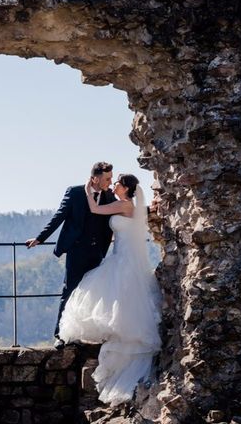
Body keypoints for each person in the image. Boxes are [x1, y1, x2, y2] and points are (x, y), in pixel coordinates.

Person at [58, 174, 162, 406]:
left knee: (111, 296)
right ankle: (122, 337)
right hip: (124, 258)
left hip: (122, 260)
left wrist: (87, 188)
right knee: (123, 300)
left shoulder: (122, 204)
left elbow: (94, 209)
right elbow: (138, 215)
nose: (113, 185)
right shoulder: (131, 206)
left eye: (116, 183)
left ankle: (122, 340)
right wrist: (151, 208)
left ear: (124, 188)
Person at [25, 162, 116, 350]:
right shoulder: (74, 192)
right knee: (70, 289)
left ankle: (89, 333)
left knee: (95, 292)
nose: (110, 182)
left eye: (111, 178)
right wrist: (41, 238)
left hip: (97, 251)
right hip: (76, 250)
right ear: (95, 178)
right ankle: (60, 335)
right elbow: (59, 216)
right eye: (107, 178)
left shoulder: (109, 195)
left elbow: (122, 210)